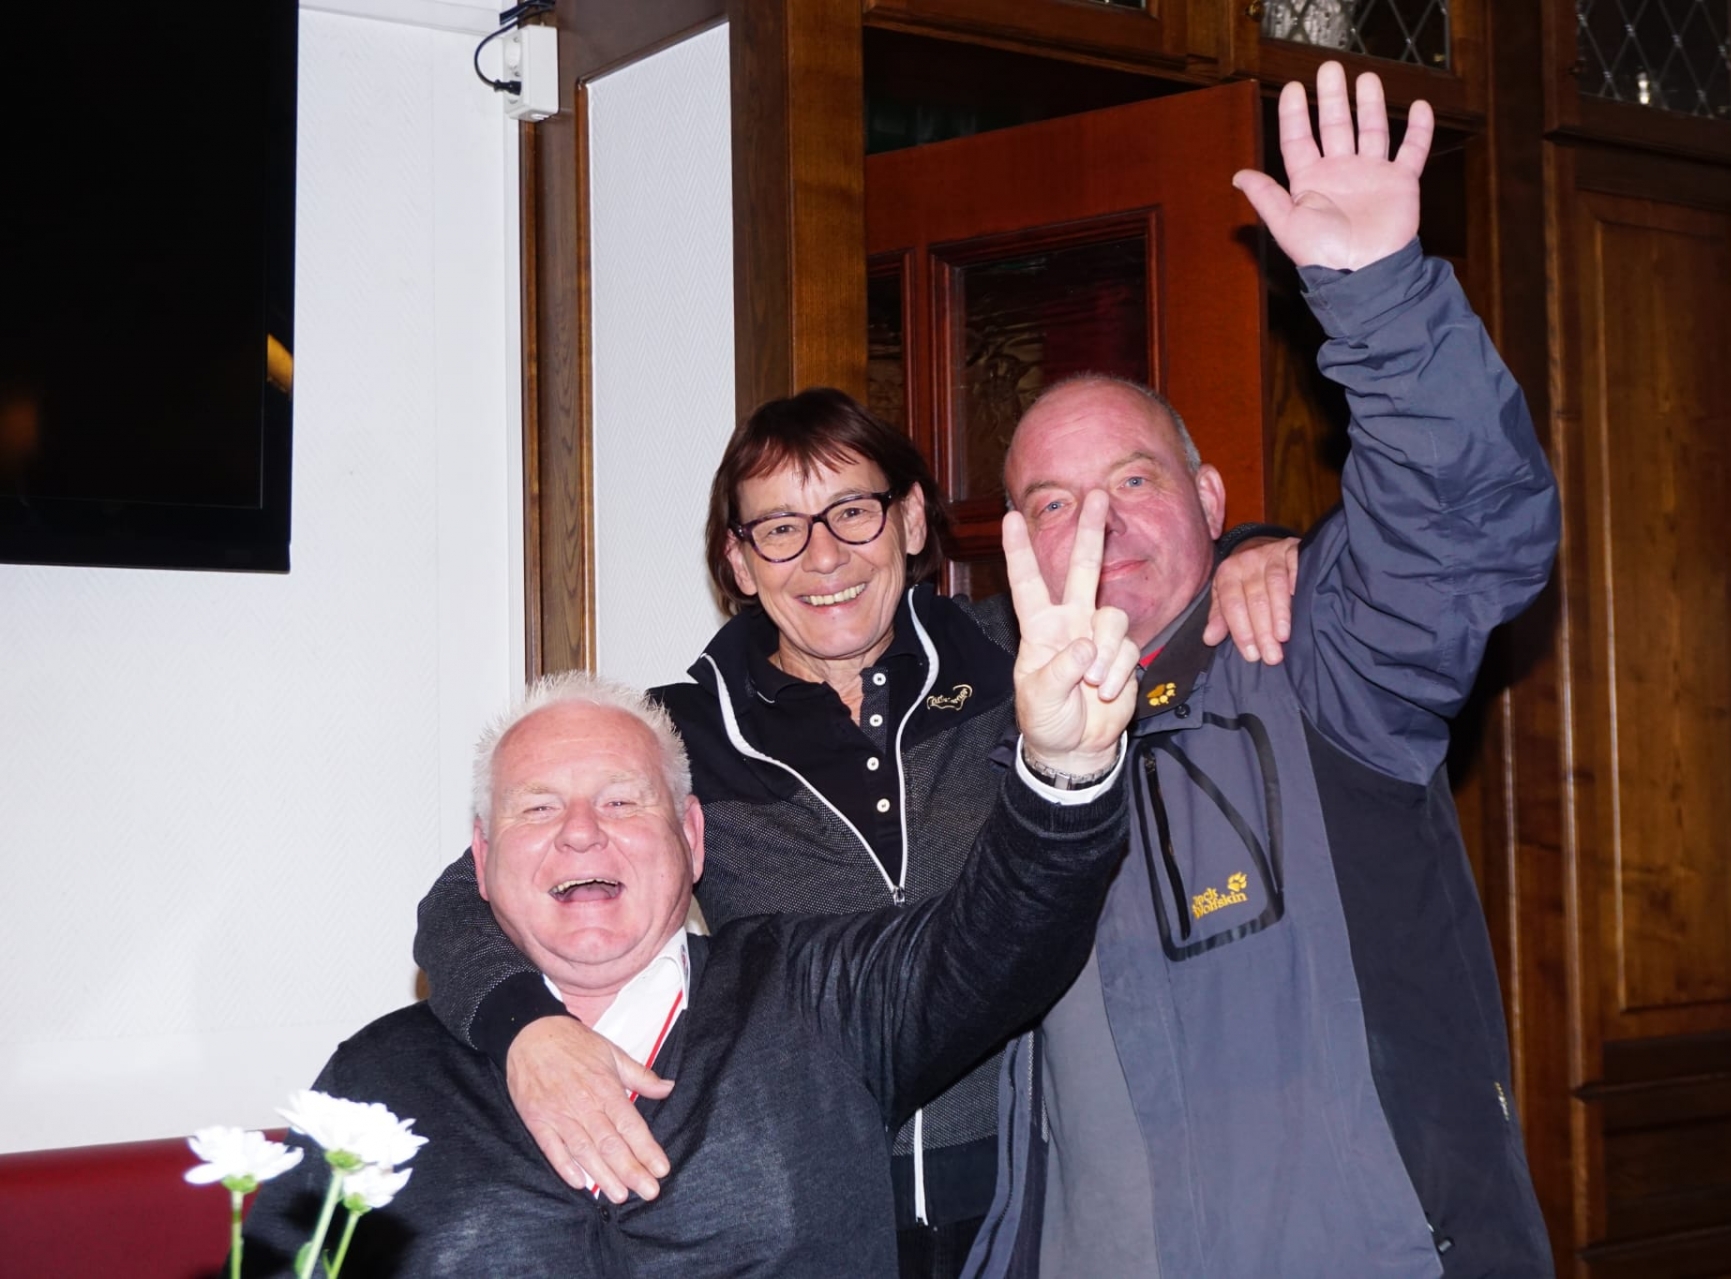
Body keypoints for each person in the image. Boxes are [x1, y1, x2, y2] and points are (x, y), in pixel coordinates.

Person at [412, 394, 1298, 1276]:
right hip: (810, 1208)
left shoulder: (1023, 663)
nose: (824, 554)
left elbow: (1155, 586)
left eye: (852, 511)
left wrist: (1250, 553)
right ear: (740, 561)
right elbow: (468, 896)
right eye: (780, 528)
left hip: (1040, 1196)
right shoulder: (680, 734)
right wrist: (528, 1030)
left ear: (909, 520)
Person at [959, 63, 1560, 1278]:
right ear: (1017, 544)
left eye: (1135, 480)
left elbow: (1465, 527)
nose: (1102, 521)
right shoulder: (987, 743)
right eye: (1056, 502)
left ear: (1209, 498)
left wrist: (1380, 296)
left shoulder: (1316, 656)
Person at [243, 498, 1142, 1276]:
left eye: (623, 800)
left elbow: (997, 940)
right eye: (538, 807)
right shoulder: (375, 1081)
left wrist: (1064, 768)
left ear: (694, 837)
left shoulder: (816, 998)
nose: (582, 831)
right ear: (479, 860)